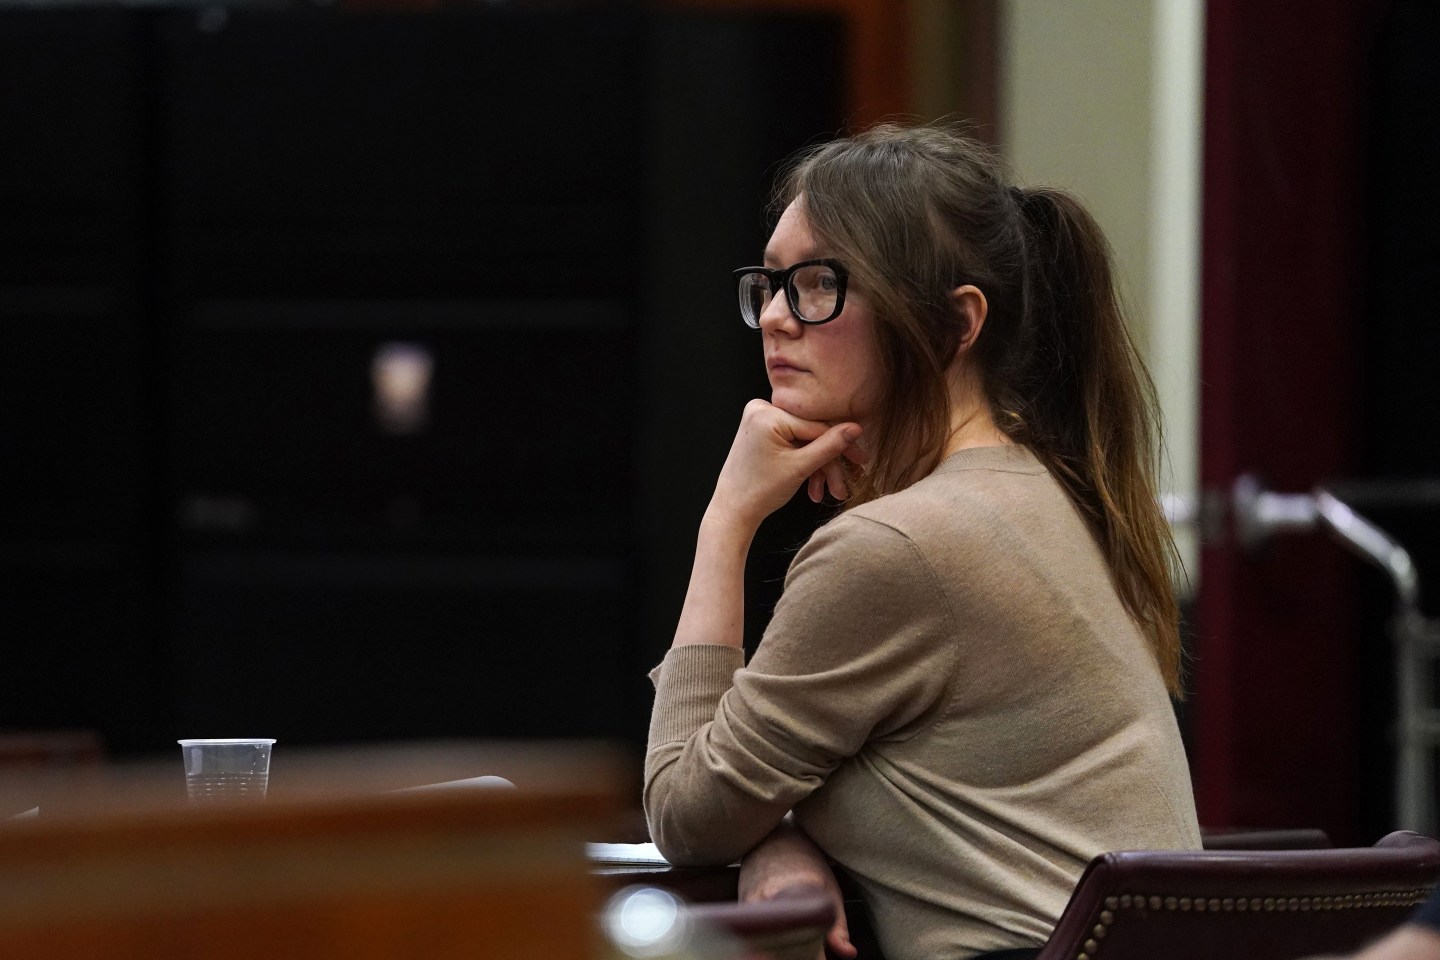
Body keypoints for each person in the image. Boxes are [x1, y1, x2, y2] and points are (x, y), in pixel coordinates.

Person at [643, 122, 1201, 960]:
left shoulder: (895, 547)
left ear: (955, 323)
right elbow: (897, 785)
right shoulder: (1045, 488)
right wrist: (781, 838)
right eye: (771, 283)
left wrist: (726, 522)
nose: (777, 318)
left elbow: (687, 813)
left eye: (820, 284)